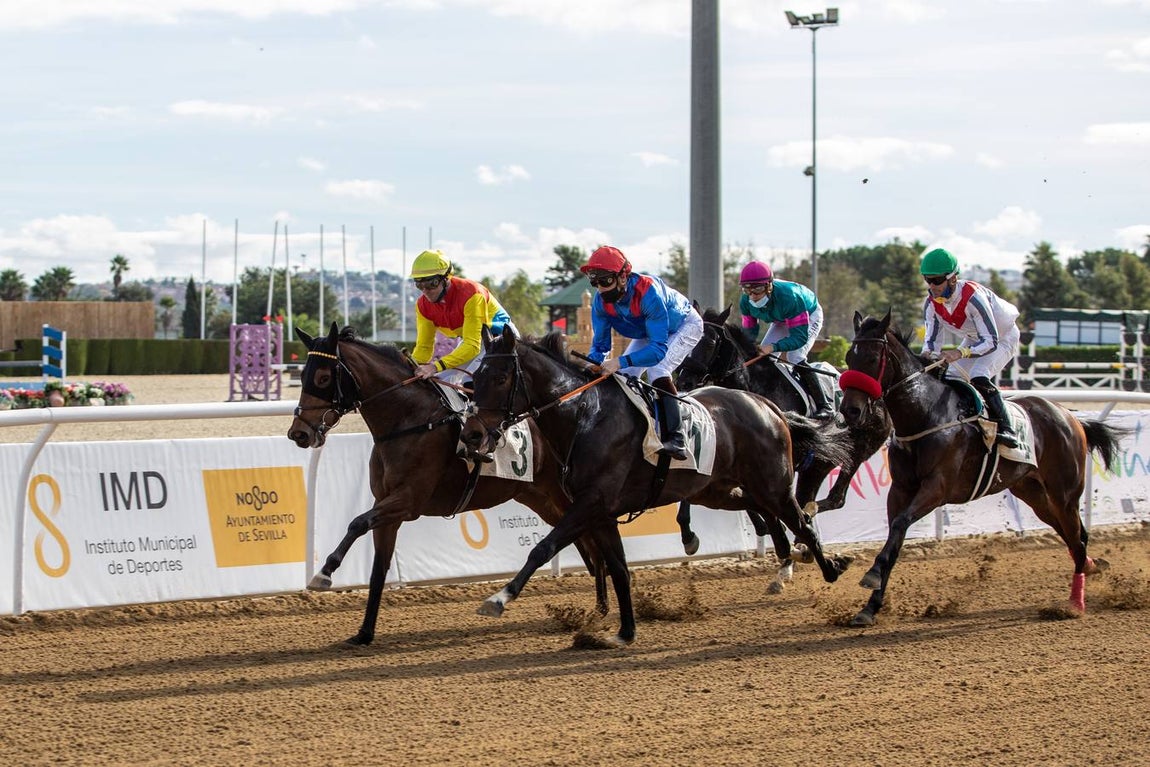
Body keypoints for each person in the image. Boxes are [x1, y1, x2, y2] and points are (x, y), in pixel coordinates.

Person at [581, 245, 703, 460]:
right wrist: (592, 364)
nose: (600, 289)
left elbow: (657, 351)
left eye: (605, 281)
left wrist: (619, 361)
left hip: (684, 325)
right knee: (625, 377)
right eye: (595, 282)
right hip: (648, 330)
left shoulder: (648, 293)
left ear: (622, 276)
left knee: (658, 370)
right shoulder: (600, 303)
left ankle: (676, 437)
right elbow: (600, 347)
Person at [920, 247, 1020, 448]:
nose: (932, 286)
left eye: (937, 280)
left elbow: (990, 341)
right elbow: (931, 343)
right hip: (974, 339)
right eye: (927, 280)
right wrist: (922, 360)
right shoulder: (931, 304)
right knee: (949, 377)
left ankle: (1007, 427)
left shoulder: (973, 298)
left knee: (978, 374)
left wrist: (960, 352)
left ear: (952, 278)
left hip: (1002, 337)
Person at [737, 261, 835, 419]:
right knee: (762, 359)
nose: (753, 295)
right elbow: (749, 333)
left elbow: (799, 338)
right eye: (747, 289)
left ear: (769, 286)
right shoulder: (745, 302)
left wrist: (773, 347)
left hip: (808, 314)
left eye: (758, 289)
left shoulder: (790, 298)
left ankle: (824, 405)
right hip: (781, 319)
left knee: (795, 356)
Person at [409, 249, 516, 387]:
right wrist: (410, 367)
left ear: (446, 278)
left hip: (501, 338)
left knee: (471, 381)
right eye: (419, 285)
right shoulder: (422, 305)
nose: (425, 291)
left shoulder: (472, 294)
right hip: (473, 340)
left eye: (431, 283)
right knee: (442, 382)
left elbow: (472, 346)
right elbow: (424, 347)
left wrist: (435, 367)